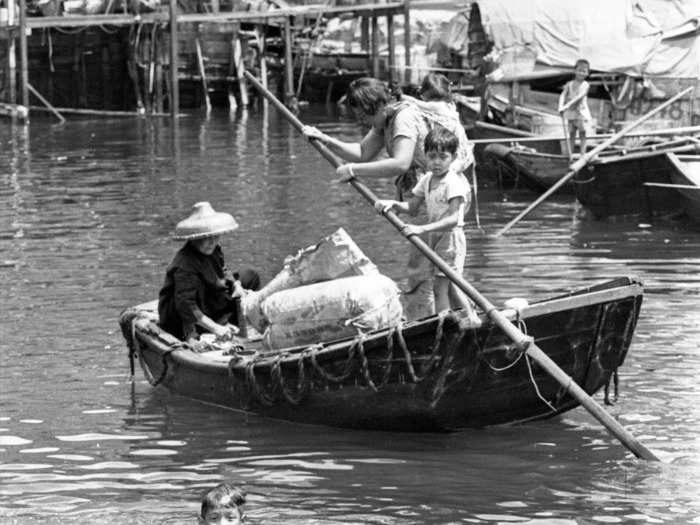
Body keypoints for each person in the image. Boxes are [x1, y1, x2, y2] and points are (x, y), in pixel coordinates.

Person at [302, 77, 436, 319]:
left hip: (432, 197)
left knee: (424, 266)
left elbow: (401, 162)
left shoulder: (403, 118)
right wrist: (325, 139)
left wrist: (353, 171)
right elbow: (363, 153)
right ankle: (428, 316)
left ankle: (429, 321)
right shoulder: (385, 119)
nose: (361, 121)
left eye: (364, 114)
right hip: (416, 198)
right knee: (423, 264)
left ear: (378, 106)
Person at [374, 126, 474, 314]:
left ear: (452, 158)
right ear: (425, 155)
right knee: (449, 285)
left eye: (442, 157)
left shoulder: (453, 182)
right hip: (435, 237)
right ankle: (470, 316)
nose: (436, 162)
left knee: (441, 288)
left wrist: (422, 230)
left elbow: (453, 219)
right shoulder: (427, 179)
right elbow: (411, 208)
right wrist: (393, 204)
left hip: (450, 238)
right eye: (431, 156)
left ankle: (448, 323)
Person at [158, 202, 260, 343]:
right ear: (195, 237)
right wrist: (215, 328)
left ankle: (232, 321)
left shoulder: (215, 249)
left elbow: (223, 270)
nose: (211, 242)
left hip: (209, 300)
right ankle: (209, 328)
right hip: (183, 316)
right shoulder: (185, 264)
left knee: (249, 276)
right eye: (206, 238)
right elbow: (186, 305)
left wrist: (236, 285)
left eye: (214, 237)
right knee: (195, 296)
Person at [558, 58, 592, 155]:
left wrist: (566, 106)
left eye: (584, 71)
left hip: (581, 112)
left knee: (583, 132)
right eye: (579, 70)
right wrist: (560, 106)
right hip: (571, 112)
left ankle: (582, 154)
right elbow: (563, 95)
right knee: (571, 133)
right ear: (575, 71)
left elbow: (579, 97)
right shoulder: (569, 84)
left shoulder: (586, 85)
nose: (581, 73)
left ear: (587, 73)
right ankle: (569, 153)